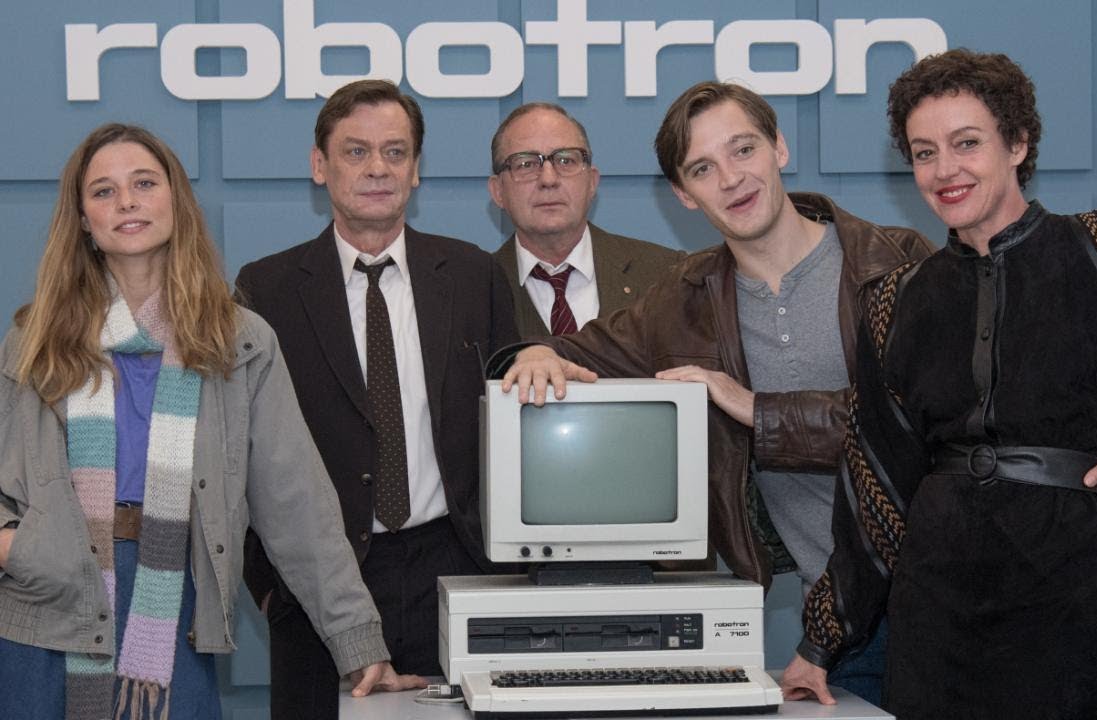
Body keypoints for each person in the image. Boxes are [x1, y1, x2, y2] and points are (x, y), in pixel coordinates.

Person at [781, 49, 1097, 719]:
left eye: (966, 143)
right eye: (924, 153)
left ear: (1016, 143)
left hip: (1066, 588)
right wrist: (820, 641)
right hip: (936, 606)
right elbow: (876, 487)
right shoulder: (894, 301)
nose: (944, 170)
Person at [492, 81, 933, 702]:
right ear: (684, 194)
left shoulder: (896, 261)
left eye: (743, 149)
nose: (731, 179)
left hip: (944, 597)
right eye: (702, 168)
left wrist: (756, 409)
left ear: (779, 148)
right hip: (837, 626)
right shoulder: (683, 298)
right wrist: (537, 353)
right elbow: (578, 351)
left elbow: (920, 424)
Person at [0, 124, 411, 720]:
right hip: (48, 605)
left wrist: (356, 640)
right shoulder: (34, 339)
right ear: (84, 220)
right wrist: (19, 546)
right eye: (104, 191)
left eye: (145, 183)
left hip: (174, 604)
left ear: (176, 201)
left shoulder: (237, 341)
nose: (127, 202)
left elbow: (295, 502)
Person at [235, 79, 519, 719]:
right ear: (320, 165)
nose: (377, 169)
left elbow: (507, 428)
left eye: (395, 152)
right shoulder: (266, 288)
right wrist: (269, 588)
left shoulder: (473, 274)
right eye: (355, 151)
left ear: (416, 169)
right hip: (319, 584)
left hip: (455, 569)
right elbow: (243, 449)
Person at [488, 102, 683, 339]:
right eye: (526, 164)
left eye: (565, 161)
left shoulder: (668, 275)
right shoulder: (475, 289)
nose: (548, 179)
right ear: (498, 191)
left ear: (592, 182)